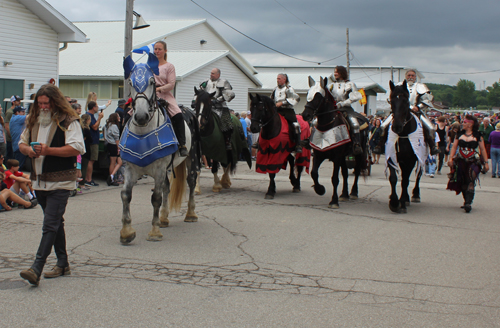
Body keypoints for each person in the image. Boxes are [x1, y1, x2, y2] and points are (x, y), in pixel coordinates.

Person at [18, 84, 85, 286]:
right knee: (56, 223)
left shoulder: (68, 121)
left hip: (61, 181)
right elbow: (21, 143)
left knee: (49, 224)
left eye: (46, 103)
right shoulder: (33, 119)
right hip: (39, 180)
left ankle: (36, 267)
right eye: (40, 103)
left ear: (55, 102)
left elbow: (77, 148)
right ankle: (63, 263)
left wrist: (49, 150)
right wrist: (28, 151)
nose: (43, 107)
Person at [374, 69, 440, 155]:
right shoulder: (398, 86)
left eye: (412, 75)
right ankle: (380, 145)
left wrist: (418, 107)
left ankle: (432, 146)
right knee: (383, 126)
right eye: (409, 75)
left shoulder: (421, 86)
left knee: (430, 127)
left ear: (415, 77)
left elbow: (427, 100)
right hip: (400, 111)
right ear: (406, 76)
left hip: (416, 111)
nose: (410, 77)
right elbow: (392, 98)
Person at [446, 115, 489, 213]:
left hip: (473, 161)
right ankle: (466, 200)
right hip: (460, 161)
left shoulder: (478, 135)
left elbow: (482, 149)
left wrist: (486, 163)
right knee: (462, 181)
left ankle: (468, 203)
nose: (463, 124)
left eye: (465, 122)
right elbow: (454, 147)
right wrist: (451, 158)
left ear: (470, 124)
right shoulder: (459, 134)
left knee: (470, 180)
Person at [153, 41, 188, 157]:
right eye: (155, 49)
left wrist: (159, 89)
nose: (157, 51)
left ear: (165, 51)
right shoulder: (149, 66)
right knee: (130, 113)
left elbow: (171, 84)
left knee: (178, 115)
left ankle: (182, 144)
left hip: (165, 95)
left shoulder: (169, 66)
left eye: (159, 49)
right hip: (149, 94)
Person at [327, 66, 365, 155]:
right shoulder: (331, 85)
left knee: (354, 124)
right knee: (317, 121)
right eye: (334, 72)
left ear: (342, 73)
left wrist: (342, 103)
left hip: (346, 109)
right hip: (333, 109)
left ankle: (356, 144)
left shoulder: (350, 84)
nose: (335, 73)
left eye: (337, 72)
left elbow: (354, 98)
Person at [198, 67, 235, 150]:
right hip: (207, 106)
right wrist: (194, 100)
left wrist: (217, 100)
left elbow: (228, 94)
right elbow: (199, 92)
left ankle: (227, 141)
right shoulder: (205, 82)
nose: (211, 75)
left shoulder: (224, 82)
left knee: (226, 123)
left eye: (213, 73)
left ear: (218, 74)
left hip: (220, 106)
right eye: (211, 73)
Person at [270, 73, 302, 153]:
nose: (277, 80)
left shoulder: (289, 89)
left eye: (279, 78)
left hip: (287, 111)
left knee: (295, 125)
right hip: (277, 110)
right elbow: (271, 99)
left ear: (284, 79)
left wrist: (283, 102)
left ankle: (298, 144)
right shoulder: (275, 89)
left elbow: (296, 98)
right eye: (277, 78)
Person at [84, 101, 103, 187]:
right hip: (92, 141)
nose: (97, 108)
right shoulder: (89, 116)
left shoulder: (92, 116)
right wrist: (99, 118)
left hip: (94, 140)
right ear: (93, 107)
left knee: (93, 160)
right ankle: (88, 179)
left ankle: (88, 178)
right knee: (91, 160)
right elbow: (94, 127)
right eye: (96, 106)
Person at [104, 113, 122, 186]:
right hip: (114, 145)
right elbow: (116, 138)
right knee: (115, 162)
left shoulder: (107, 126)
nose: (119, 118)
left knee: (115, 162)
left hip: (109, 144)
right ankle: (111, 177)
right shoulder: (114, 126)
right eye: (118, 116)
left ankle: (112, 176)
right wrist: (118, 147)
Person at [4, 95, 22, 160]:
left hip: (16, 139)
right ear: (13, 102)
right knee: (10, 156)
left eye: (19, 100)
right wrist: (12, 136)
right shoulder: (9, 112)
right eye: (17, 101)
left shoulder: (17, 112)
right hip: (11, 139)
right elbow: (7, 126)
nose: (19, 102)